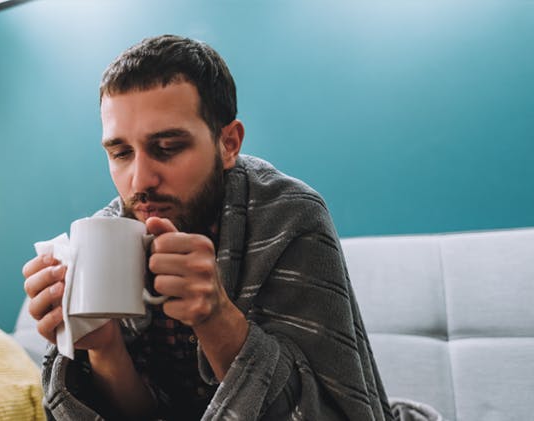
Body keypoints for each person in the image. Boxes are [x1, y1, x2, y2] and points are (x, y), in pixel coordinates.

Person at [22, 34, 393, 420]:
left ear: (228, 143)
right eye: (120, 153)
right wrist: (102, 347)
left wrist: (217, 319)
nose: (139, 180)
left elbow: (327, 411)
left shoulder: (289, 217)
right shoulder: (108, 235)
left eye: (166, 148)